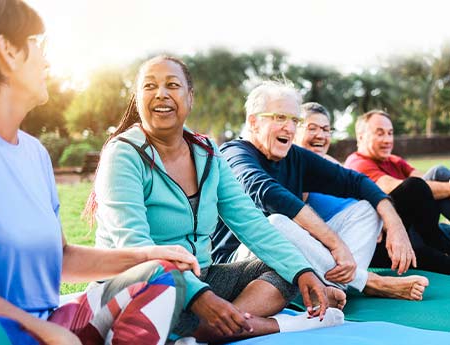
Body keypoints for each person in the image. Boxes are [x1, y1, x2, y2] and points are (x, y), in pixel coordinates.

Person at [88, 55, 347, 343]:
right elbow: (134, 245)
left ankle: (211, 329)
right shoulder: (122, 155)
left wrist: (303, 271)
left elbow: (250, 221)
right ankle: (273, 326)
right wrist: (200, 297)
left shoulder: (206, 151)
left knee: (283, 272)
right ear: (137, 99)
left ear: (190, 97)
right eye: (149, 86)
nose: (161, 93)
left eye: (172, 85)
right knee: (167, 296)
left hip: (202, 276)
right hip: (139, 284)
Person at [0, 1, 201, 344]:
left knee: (160, 274)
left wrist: (147, 255)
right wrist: (39, 330)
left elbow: (63, 258)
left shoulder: (34, 155)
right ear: (8, 51)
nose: (46, 60)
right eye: (38, 45)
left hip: (51, 324)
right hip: (1, 330)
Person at [213, 82, 428, 302]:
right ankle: (368, 282)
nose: (289, 127)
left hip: (294, 261)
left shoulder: (294, 156)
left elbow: (357, 181)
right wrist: (337, 245)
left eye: (294, 120)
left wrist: (394, 224)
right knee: (276, 222)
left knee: (366, 209)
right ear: (254, 122)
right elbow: (268, 194)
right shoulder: (233, 154)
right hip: (239, 264)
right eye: (279, 118)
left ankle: (336, 287)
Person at [345, 110, 450, 273]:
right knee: (414, 186)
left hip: (419, 228)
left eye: (390, 133)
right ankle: (437, 248)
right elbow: (395, 188)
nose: (387, 140)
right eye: (380, 134)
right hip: (385, 238)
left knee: (439, 173)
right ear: (360, 136)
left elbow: (428, 182)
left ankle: (438, 242)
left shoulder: (393, 160)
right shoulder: (357, 163)